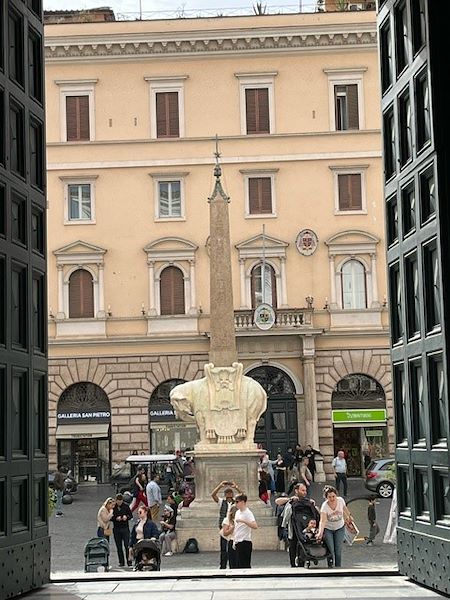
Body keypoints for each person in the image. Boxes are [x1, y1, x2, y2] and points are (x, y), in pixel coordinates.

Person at [275, 482, 320, 567]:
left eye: (305, 490)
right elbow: (277, 501)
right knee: (293, 547)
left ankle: (302, 562)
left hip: (305, 528)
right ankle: (293, 565)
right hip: (293, 528)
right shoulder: (291, 501)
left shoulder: (308, 502)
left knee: (303, 545)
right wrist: (289, 499)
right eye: (302, 490)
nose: (305, 492)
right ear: (296, 490)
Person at [317, 485, 352, 568]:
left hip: (339, 527)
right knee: (331, 548)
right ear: (326, 498)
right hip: (328, 529)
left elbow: (344, 508)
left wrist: (349, 516)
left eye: (333, 496)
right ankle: (330, 565)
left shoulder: (340, 500)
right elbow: (322, 521)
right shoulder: (324, 506)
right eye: (329, 497)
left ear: (336, 495)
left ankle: (338, 567)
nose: (332, 499)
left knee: (338, 549)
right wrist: (320, 533)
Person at [211, 480, 243, 569]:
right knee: (223, 547)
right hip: (224, 525)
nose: (229, 494)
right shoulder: (222, 502)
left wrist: (236, 487)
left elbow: (243, 496)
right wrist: (220, 486)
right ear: (225, 495)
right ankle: (223, 565)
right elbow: (213, 495)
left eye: (230, 493)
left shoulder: (236, 503)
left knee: (233, 545)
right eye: (227, 493)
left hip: (234, 525)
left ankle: (234, 564)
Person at [233, 494, 258, 568]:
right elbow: (237, 528)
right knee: (238, 565)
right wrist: (234, 540)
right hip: (238, 541)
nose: (236, 504)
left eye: (237, 502)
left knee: (244, 565)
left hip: (245, 541)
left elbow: (255, 526)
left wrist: (243, 521)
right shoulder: (237, 512)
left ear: (243, 502)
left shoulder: (248, 513)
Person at [112, 493, 133, 567]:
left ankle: (129, 561)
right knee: (119, 546)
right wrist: (115, 518)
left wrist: (126, 517)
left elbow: (131, 515)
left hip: (125, 528)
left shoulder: (126, 506)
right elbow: (111, 517)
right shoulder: (113, 507)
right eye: (118, 501)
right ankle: (121, 561)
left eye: (120, 501)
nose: (119, 502)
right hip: (116, 528)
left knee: (127, 545)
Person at [220, 504, 238, 569]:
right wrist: (232, 528)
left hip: (240, 540)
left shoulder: (240, 519)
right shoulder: (227, 520)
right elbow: (225, 533)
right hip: (232, 540)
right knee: (232, 561)